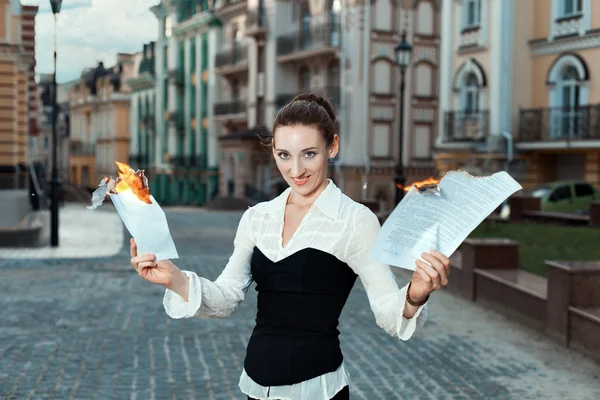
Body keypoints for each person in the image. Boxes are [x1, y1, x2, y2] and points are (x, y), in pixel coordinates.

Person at [130, 93, 450, 400]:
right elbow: (227, 298)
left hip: (317, 390)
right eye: (284, 155)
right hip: (256, 388)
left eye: (309, 154)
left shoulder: (356, 221)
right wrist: (175, 279)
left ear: (332, 146)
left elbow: (388, 314)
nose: (296, 171)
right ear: (273, 152)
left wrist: (415, 292)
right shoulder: (257, 218)